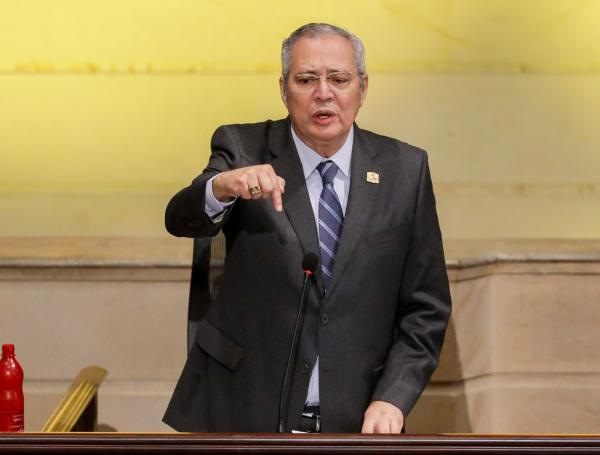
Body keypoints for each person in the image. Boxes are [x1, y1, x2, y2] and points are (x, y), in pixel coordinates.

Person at [163, 23, 451, 434]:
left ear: (363, 87)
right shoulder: (244, 148)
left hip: (357, 419)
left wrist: (393, 397)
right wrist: (222, 186)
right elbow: (179, 217)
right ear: (284, 89)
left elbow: (426, 308)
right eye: (306, 79)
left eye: (339, 79)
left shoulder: (405, 170)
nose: (323, 93)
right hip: (241, 414)